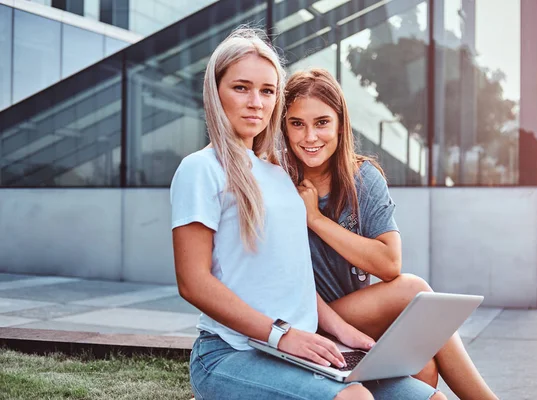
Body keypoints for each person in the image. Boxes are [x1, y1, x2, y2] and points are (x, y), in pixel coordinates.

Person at [171, 28, 446, 400]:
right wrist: (281, 335)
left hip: (301, 347)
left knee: (430, 398)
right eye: (241, 88)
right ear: (215, 91)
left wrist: (342, 330)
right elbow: (193, 283)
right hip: (230, 353)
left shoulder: (279, 175)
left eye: (268, 91)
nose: (256, 102)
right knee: (355, 399)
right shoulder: (200, 168)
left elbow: (293, 280)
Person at [279, 68, 498, 400]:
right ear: (283, 126)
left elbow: (388, 263)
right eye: (297, 123)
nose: (309, 137)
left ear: (340, 124)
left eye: (321, 122)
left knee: (423, 366)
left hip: (357, 319)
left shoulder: (363, 178)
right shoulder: (276, 181)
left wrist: (315, 219)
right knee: (413, 290)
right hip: (303, 319)